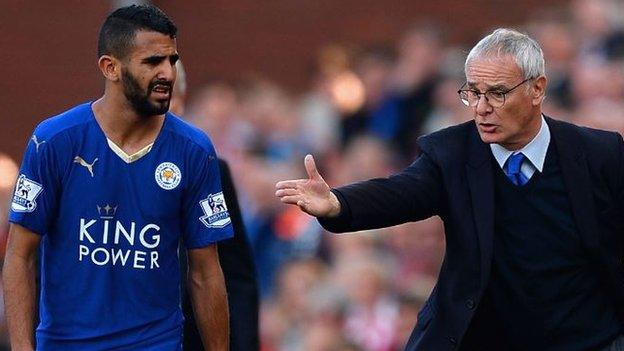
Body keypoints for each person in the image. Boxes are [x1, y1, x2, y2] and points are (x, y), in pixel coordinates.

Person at [276, 28, 624, 351]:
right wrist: (338, 202)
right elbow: (402, 192)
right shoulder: (451, 154)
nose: (481, 108)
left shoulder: (599, 154)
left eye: (497, 93)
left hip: (589, 339)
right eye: (473, 93)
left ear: (537, 89)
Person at [3, 5, 232, 350]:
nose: (168, 74)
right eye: (153, 62)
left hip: (156, 343)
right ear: (110, 67)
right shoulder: (54, 141)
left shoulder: (194, 150)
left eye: (172, 61)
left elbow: (206, 272)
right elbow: (19, 256)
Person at [170, 61, 260, 351]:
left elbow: (236, 275)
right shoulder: (98, 171)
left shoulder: (210, 170)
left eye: (167, 94)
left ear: (180, 104)